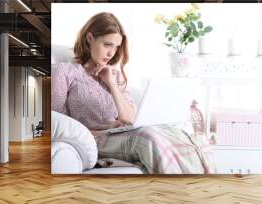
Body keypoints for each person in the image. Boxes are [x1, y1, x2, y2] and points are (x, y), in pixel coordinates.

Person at [52, 12, 215, 174]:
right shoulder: (65, 72)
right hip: (93, 139)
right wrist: (104, 128)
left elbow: (129, 119)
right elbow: (61, 125)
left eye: (116, 47)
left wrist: (112, 83)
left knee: (190, 138)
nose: (111, 54)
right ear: (89, 38)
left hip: (120, 135)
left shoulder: (114, 76)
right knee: (148, 137)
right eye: (107, 45)